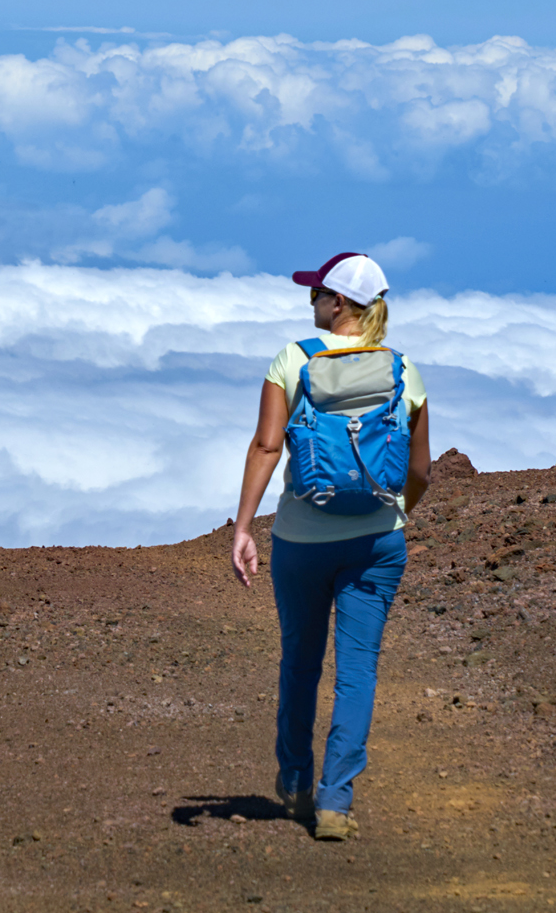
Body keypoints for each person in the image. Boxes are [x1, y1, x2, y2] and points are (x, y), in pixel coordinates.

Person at [229, 252, 431, 841]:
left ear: (337, 302)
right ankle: (335, 803)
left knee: (300, 660)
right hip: (377, 540)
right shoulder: (403, 370)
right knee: (358, 671)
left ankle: (294, 783)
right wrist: (394, 518)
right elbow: (419, 471)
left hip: (301, 539)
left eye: (316, 292)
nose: (310, 301)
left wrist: (243, 527)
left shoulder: (293, 359)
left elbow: (267, 448)